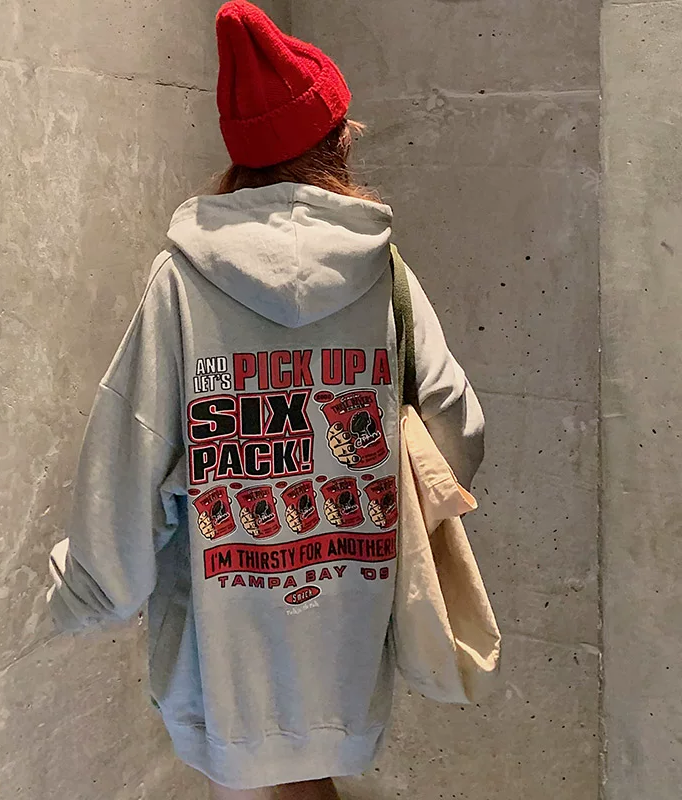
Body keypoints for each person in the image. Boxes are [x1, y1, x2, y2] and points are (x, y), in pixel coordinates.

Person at [46, 2, 485, 798]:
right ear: (336, 140)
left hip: (224, 645)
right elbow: (457, 426)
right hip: (349, 620)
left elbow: (130, 452)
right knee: (311, 781)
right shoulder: (382, 273)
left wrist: (89, 590)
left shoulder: (183, 282)